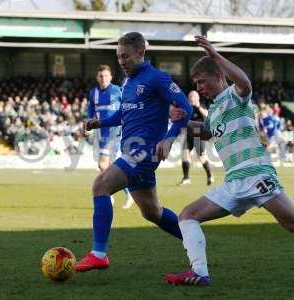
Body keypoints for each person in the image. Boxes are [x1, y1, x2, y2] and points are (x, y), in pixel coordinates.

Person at [164, 36, 294, 286]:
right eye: (196, 84)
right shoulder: (214, 110)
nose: (199, 88)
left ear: (218, 75)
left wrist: (215, 55)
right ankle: (199, 272)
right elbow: (207, 132)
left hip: (256, 176)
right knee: (188, 215)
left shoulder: (236, 95)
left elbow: (244, 82)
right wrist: (179, 121)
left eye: (201, 82)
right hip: (234, 181)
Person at [75, 32, 192, 272]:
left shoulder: (157, 78)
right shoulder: (127, 82)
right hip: (131, 151)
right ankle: (194, 239)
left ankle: (99, 253)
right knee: (152, 212)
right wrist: (101, 122)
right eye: (118, 56)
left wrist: (169, 138)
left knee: (100, 186)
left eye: (125, 56)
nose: (121, 61)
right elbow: (123, 114)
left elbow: (186, 108)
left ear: (141, 53)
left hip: (144, 151)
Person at [87, 64, 133, 209]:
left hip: (116, 132)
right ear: (97, 77)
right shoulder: (93, 93)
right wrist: (89, 123)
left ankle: (112, 193)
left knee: (106, 165)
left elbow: (126, 108)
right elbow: (90, 110)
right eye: (101, 76)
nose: (103, 79)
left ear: (111, 77)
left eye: (106, 76)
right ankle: (121, 192)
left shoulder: (117, 91)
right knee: (103, 166)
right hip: (101, 133)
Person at [178, 90, 214, 186]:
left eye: (193, 96)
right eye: (190, 97)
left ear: (197, 98)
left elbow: (207, 116)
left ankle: (210, 175)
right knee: (184, 154)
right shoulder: (187, 108)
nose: (191, 98)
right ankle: (186, 178)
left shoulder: (201, 106)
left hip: (199, 135)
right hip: (189, 135)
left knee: (201, 157)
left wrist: (198, 106)